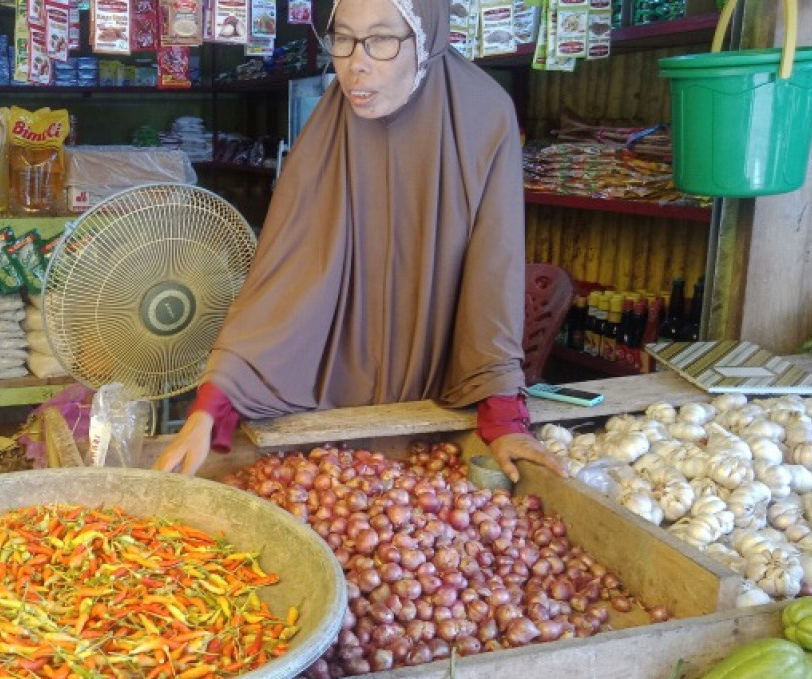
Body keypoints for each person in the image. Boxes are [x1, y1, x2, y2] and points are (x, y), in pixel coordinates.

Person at [154, 0, 565, 482]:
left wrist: (504, 416)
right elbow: (283, 276)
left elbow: (495, 268)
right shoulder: (328, 129)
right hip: (332, 415)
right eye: (343, 39)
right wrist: (213, 406)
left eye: (382, 40)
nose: (356, 63)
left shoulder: (483, 115)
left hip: (436, 405)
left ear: (425, 39)